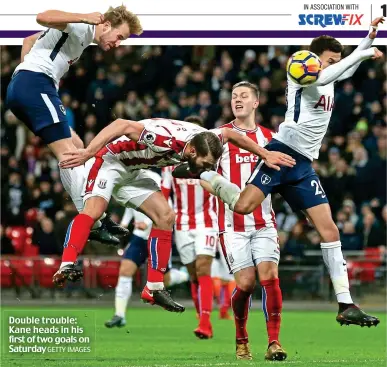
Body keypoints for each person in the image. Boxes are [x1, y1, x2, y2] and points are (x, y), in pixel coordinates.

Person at [199, 19, 384, 328]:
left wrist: (368, 39)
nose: (333, 67)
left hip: (302, 166)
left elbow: (344, 70)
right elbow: (339, 70)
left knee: (330, 231)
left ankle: (345, 303)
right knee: (243, 205)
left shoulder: (328, 76)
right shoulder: (300, 71)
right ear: (314, 59)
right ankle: (203, 174)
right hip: (281, 152)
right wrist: (363, 54)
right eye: (329, 61)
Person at [55, 117, 295, 312]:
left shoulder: (208, 140)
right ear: (190, 150)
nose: (205, 170)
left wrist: (264, 153)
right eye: (202, 164)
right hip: (111, 161)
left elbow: (231, 134)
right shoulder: (164, 140)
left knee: (166, 216)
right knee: (94, 211)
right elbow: (121, 124)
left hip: (136, 170)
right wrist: (88, 152)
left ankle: (154, 287)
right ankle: (66, 264)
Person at [5, 5, 144, 245]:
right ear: (106, 25)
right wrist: (84, 17)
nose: (118, 43)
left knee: (78, 145)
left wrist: (21, 75)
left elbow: (28, 40)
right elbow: (42, 17)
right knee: (70, 155)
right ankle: (92, 220)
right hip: (36, 85)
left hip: (29, 86)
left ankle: (93, 216)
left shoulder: (83, 35)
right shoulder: (82, 25)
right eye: (119, 36)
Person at [200, 82, 287, 361]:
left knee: (270, 277)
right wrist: (224, 193)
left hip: (264, 223)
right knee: (246, 284)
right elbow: (203, 176)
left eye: (243, 96)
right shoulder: (219, 138)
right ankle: (241, 338)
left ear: (255, 103)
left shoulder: (269, 139)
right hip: (232, 227)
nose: (237, 100)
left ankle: (274, 342)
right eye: (234, 96)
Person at [161, 116, 219, 339]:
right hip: (183, 224)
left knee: (204, 269)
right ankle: (202, 317)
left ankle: (205, 322)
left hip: (207, 221)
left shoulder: (212, 160)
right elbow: (165, 193)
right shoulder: (171, 162)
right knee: (194, 275)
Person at [105, 179, 189, 328]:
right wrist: (123, 225)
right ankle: (119, 315)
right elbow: (131, 206)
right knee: (125, 271)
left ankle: (183, 274)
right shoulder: (133, 178)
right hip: (139, 237)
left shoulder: (158, 184)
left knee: (165, 280)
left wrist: (148, 223)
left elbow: (167, 213)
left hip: (158, 239)